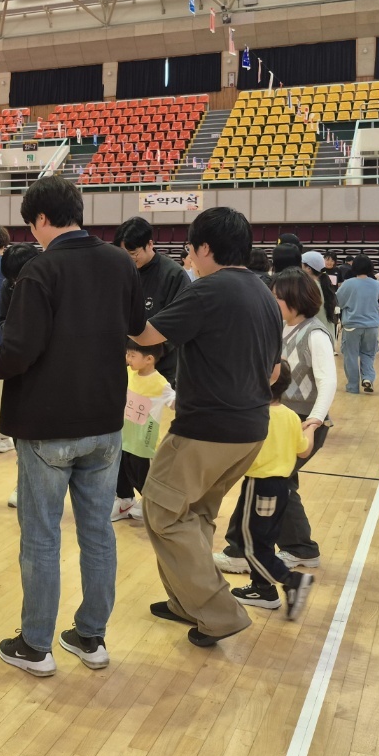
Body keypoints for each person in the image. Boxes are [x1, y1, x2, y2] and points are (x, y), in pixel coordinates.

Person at [0, 176, 146, 676]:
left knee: (42, 537)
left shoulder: (41, 269)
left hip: (48, 425)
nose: (33, 234)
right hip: (105, 422)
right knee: (98, 534)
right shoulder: (119, 262)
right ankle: (91, 638)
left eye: (32, 225)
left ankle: (36, 644)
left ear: (42, 219)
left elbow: (20, 350)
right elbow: (136, 329)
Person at [132, 206, 282, 648]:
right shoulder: (263, 292)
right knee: (194, 514)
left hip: (207, 429)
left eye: (190, 249)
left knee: (161, 511)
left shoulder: (209, 289)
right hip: (250, 427)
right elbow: (274, 370)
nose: (189, 258)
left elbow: (147, 336)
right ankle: (187, 603)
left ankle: (217, 613)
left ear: (204, 248)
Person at [217, 268, 333, 574]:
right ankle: (300, 548)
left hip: (303, 421)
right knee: (279, 482)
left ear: (295, 299)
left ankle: (242, 550)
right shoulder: (280, 328)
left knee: (268, 480)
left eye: (277, 297)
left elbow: (328, 382)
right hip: (278, 416)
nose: (272, 302)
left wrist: (315, 421)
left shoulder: (315, 334)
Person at [220, 360, 316, 618]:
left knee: (251, 545)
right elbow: (304, 450)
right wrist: (311, 428)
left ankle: (291, 580)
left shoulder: (256, 413)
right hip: (282, 488)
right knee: (263, 539)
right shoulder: (291, 416)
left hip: (260, 486)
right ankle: (262, 590)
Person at [114, 216, 189, 380]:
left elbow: (180, 323)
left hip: (159, 368)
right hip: (126, 364)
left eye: (133, 253)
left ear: (149, 244)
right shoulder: (121, 272)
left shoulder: (173, 275)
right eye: (124, 254)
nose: (129, 259)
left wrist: (148, 354)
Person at [112, 340, 174, 523]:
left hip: (145, 443)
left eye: (132, 355)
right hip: (125, 437)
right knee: (121, 471)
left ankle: (153, 504)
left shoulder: (159, 383)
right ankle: (124, 501)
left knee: (143, 476)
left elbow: (174, 401)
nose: (128, 358)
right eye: (127, 354)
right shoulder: (129, 373)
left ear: (149, 359)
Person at [336, 255, 379, 393]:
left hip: (352, 324)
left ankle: (352, 385)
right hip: (372, 325)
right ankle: (368, 377)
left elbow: (339, 301)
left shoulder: (348, 283)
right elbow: (378, 298)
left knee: (350, 355)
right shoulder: (376, 284)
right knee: (368, 353)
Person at [300, 250, 338, 333]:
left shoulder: (311, 287)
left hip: (316, 334)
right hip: (326, 333)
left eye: (301, 266)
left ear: (308, 269)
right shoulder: (324, 284)